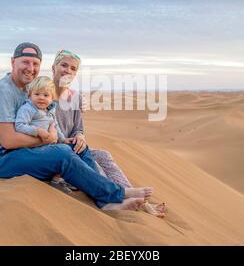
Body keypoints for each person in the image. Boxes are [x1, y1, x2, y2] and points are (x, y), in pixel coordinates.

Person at [0, 42, 153, 211]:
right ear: (13, 62)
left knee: (78, 149)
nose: (30, 68)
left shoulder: (29, 88)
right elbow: (8, 140)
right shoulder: (5, 90)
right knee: (62, 153)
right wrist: (50, 138)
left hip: (15, 153)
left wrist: (73, 126)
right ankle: (117, 193)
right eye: (25, 62)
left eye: (35, 63)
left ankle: (106, 201)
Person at [51, 49, 167, 217]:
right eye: (63, 65)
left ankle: (142, 202)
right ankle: (111, 200)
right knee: (93, 164)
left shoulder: (75, 98)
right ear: (53, 67)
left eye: (73, 68)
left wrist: (80, 136)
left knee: (103, 155)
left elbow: (78, 127)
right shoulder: (42, 94)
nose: (68, 71)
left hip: (74, 148)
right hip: (59, 152)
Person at [15, 75, 99, 192]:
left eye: (45, 95)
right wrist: (37, 131)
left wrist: (63, 139)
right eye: (37, 94)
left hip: (50, 144)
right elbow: (19, 125)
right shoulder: (28, 109)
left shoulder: (49, 110)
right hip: (34, 146)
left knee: (76, 149)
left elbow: (56, 126)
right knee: (63, 153)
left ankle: (93, 182)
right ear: (30, 95)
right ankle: (63, 181)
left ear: (51, 98)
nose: (41, 98)